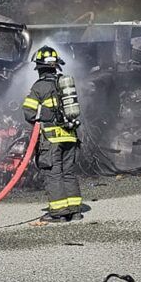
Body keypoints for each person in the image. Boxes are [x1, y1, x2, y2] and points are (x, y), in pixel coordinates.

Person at [22, 45, 83, 223]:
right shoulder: (64, 84)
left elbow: (29, 112)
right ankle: (75, 211)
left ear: (39, 68)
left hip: (52, 139)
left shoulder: (39, 87)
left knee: (54, 174)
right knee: (69, 173)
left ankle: (59, 213)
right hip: (71, 136)